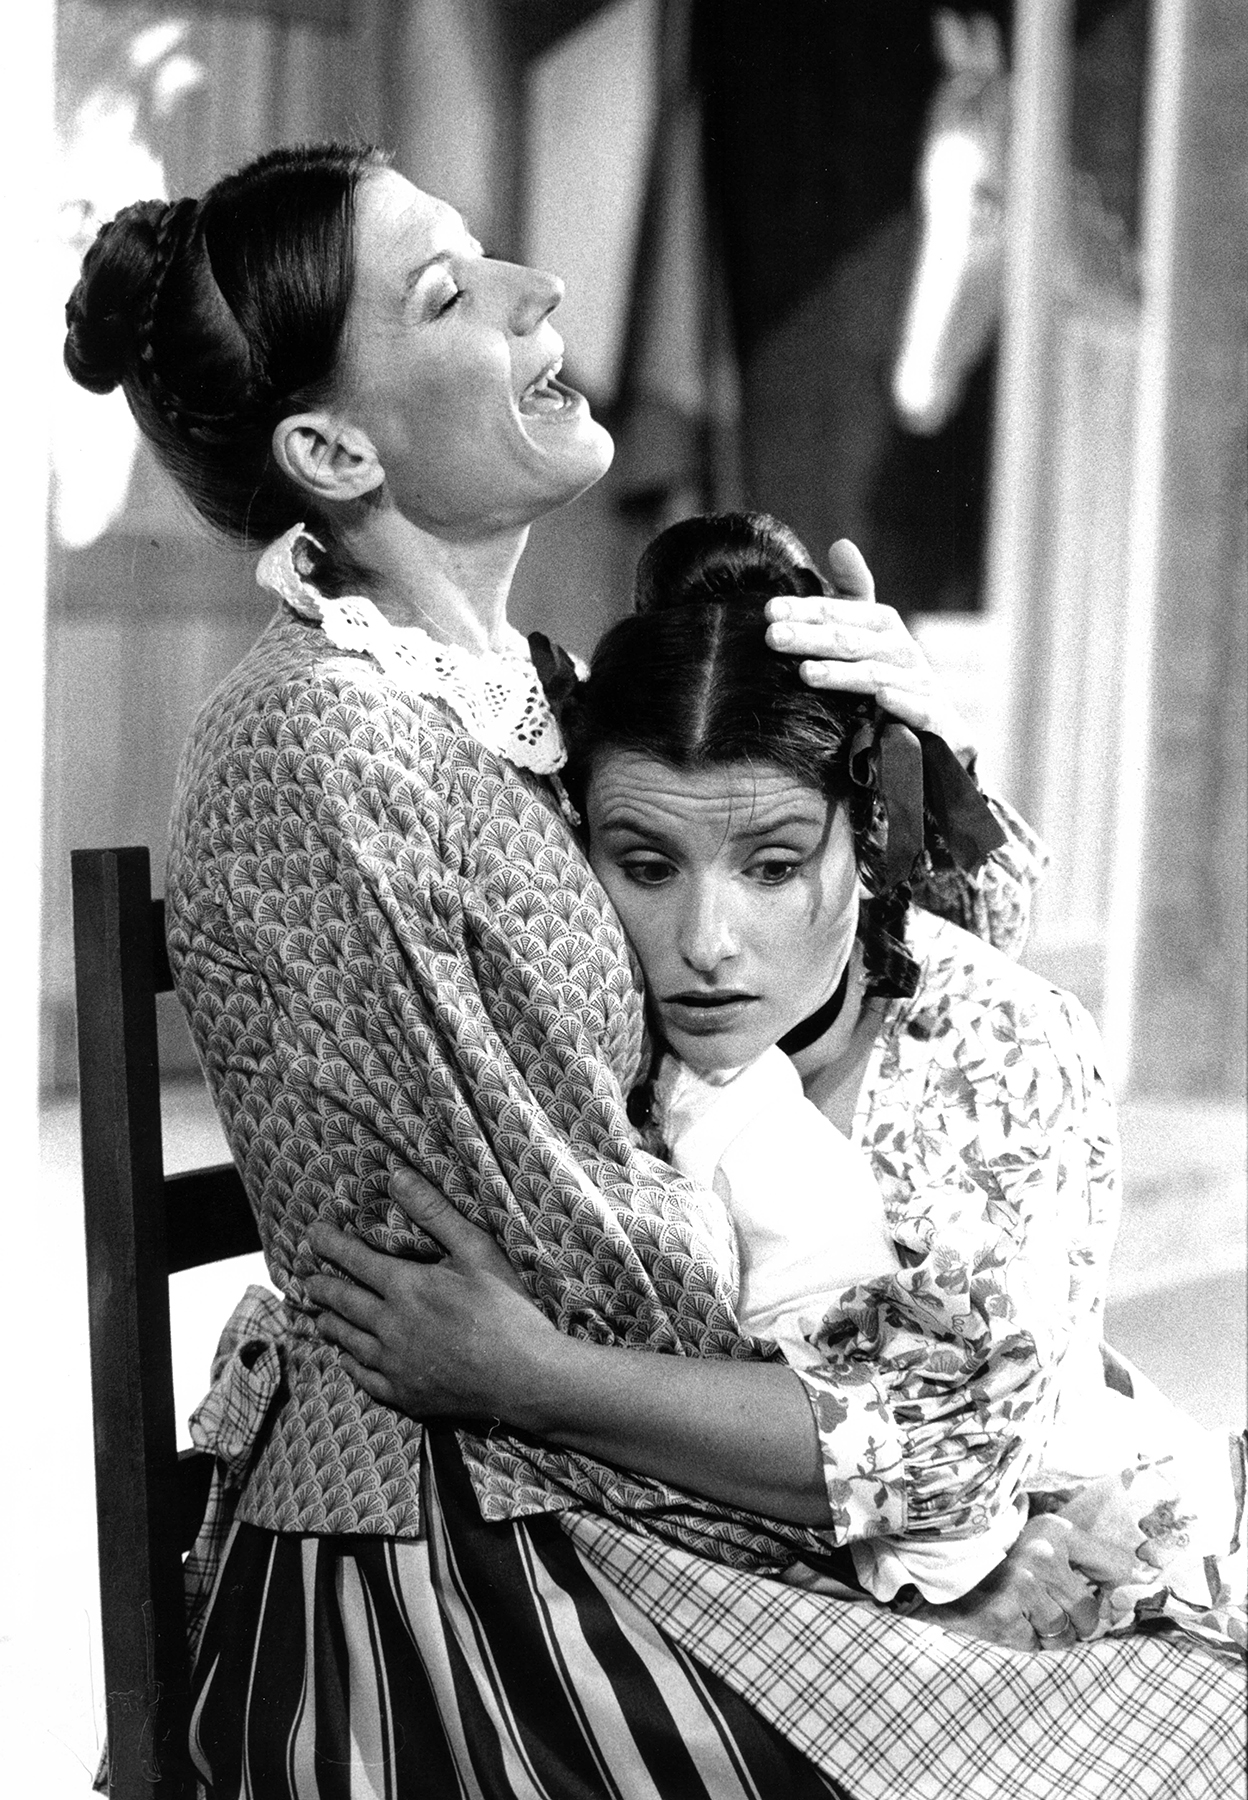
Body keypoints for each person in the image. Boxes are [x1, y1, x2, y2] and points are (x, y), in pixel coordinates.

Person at [64, 143, 1240, 1799]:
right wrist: (931, 1486)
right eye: (446, 293)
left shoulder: (538, 694)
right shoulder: (322, 748)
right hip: (482, 1553)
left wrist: (899, 757)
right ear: (331, 450)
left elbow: (887, 1016)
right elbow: (572, 1276)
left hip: (641, 1452)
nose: (541, 288)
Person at [319, 510, 1237, 1642]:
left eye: (774, 866)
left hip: (1066, 1533)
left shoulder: (1001, 1040)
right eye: (646, 866)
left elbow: (948, 1458)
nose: (706, 943)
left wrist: (535, 1376)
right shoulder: (580, 1029)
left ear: (872, 841)